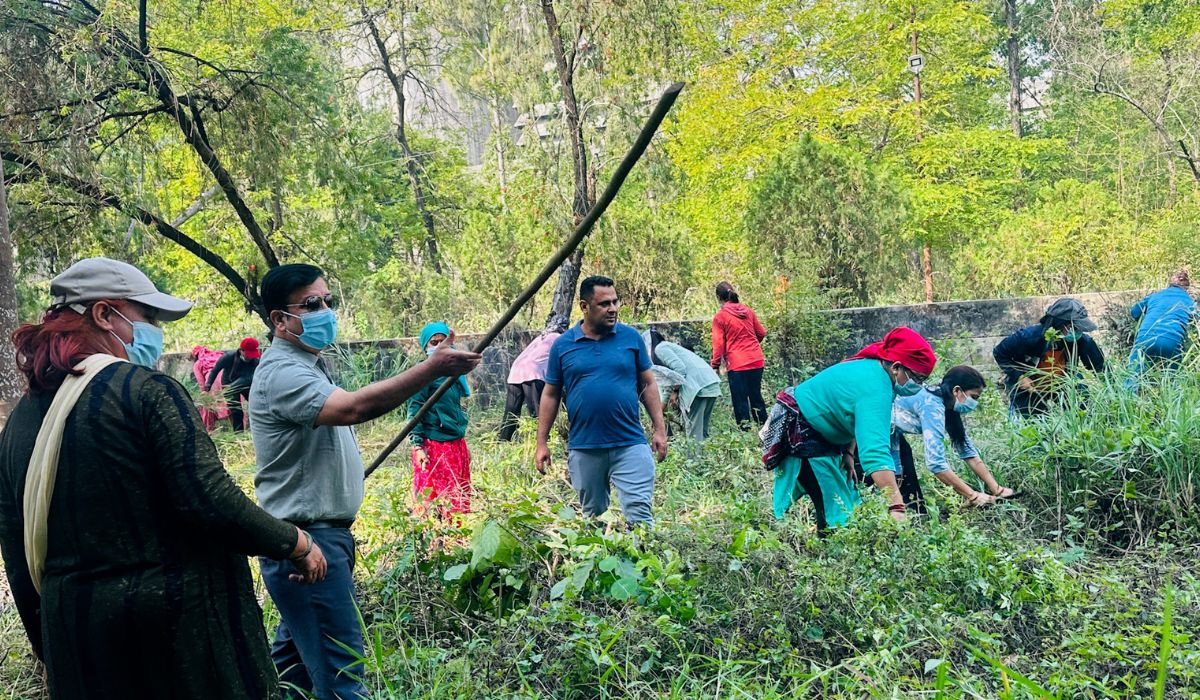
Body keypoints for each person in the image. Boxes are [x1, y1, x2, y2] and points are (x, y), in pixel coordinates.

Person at [0, 257, 327, 700]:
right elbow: (209, 500)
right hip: (177, 642)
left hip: (77, 640)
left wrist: (52, 642)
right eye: (148, 317)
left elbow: (16, 548)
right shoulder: (145, 390)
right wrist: (294, 543)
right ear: (103, 314)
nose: (156, 330)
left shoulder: (21, 420)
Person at [248, 263, 481, 700]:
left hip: (315, 542)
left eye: (328, 301)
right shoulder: (284, 372)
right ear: (279, 319)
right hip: (307, 545)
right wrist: (431, 368)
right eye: (311, 304)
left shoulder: (309, 365)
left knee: (290, 677)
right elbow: (353, 408)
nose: (325, 311)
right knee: (342, 680)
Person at [763, 327, 936, 530]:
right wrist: (896, 506)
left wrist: (848, 452)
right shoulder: (876, 386)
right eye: (918, 378)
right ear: (897, 367)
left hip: (824, 435)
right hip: (804, 435)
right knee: (836, 509)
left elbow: (852, 416)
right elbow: (875, 452)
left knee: (846, 500)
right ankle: (821, 555)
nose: (919, 385)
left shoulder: (873, 369)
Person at [535, 276, 668, 526]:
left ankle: (643, 563)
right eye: (605, 304)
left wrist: (660, 429)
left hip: (630, 443)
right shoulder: (563, 346)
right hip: (585, 447)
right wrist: (541, 443)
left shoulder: (630, 338)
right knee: (593, 518)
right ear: (585, 306)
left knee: (640, 519)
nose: (613, 309)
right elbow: (550, 394)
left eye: (615, 302)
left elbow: (648, 383)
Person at [890, 365, 1017, 511]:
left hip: (892, 435)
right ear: (956, 390)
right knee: (899, 489)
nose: (974, 403)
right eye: (974, 397)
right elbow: (935, 463)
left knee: (902, 485)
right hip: (874, 433)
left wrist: (997, 490)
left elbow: (967, 450)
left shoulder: (946, 403)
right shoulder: (932, 406)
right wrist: (973, 496)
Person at [993, 298, 1105, 418]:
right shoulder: (1028, 337)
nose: (1079, 332)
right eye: (1075, 327)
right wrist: (1019, 377)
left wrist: (1115, 392)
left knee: (1081, 408)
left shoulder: (1082, 341)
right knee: (1037, 426)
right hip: (1030, 386)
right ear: (1060, 324)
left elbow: (1100, 368)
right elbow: (1000, 353)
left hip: (1063, 383)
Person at [409, 321, 474, 521]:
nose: (438, 347)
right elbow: (415, 409)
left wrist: (463, 446)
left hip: (455, 443)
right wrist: (417, 446)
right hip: (434, 445)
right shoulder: (424, 374)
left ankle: (454, 542)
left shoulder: (454, 374)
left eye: (442, 342)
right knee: (434, 499)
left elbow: (453, 411)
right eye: (433, 343)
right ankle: (434, 541)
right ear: (425, 347)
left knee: (456, 495)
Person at [644, 327, 721, 442]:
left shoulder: (661, 348)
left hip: (697, 388)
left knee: (694, 434)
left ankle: (694, 460)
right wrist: (660, 412)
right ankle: (705, 459)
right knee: (702, 433)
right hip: (709, 384)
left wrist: (675, 392)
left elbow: (680, 370)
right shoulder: (670, 348)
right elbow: (666, 388)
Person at [710, 281, 768, 430]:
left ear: (718, 297)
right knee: (756, 398)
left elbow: (718, 345)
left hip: (738, 365)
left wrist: (715, 365)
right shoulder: (748, 311)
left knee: (740, 401)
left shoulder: (720, 317)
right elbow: (761, 333)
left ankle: (745, 435)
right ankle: (766, 433)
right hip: (756, 361)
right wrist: (752, 345)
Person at [1129, 269, 1196, 377]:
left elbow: (1134, 312)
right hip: (1171, 342)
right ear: (1186, 288)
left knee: (1133, 375)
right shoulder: (1189, 301)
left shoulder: (1155, 296)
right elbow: (1196, 321)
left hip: (1145, 337)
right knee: (1173, 379)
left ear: (1169, 284)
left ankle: (1130, 391)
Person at [500, 328, 562, 441]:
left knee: (511, 411)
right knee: (537, 412)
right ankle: (543, 441)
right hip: (533, 372)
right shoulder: (559, 338)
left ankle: (503, 440)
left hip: (516, 370)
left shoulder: (541, 337)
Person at [204, 336, 262, 431]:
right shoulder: (228, 357)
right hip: (228, 385)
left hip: (245, 383)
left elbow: (251, 377)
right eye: (248, 354)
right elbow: (215, 370)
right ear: (241, 350)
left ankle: (256, 430)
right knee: (236, 411)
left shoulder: (255, 361)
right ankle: (239, 434)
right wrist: (207, 387)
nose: (250, 357)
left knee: (255, 405)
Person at [190, 344, 229, 431]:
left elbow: (202, 385)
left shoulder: (198, 363)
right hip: (229, 380)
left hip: (214, 383)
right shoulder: (219, 356)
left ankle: (208, 431)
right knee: (233, 407)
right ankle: (239, 431)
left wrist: (203, 396)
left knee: (207, 406)